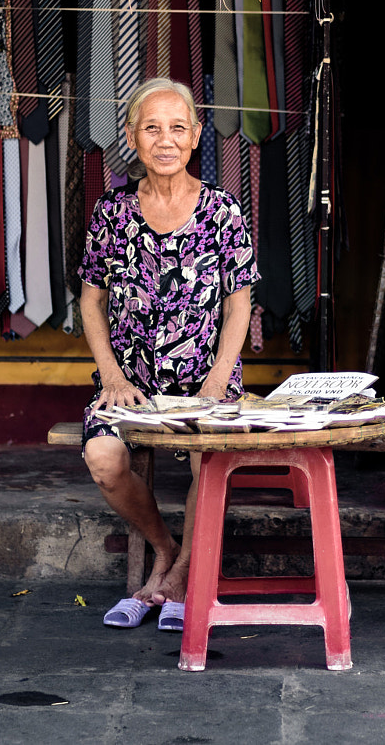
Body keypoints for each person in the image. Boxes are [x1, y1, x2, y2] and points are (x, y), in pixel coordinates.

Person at [78, 77, 258, 632]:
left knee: (212, 455)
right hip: (130, 384)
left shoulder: (224, 214)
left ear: (197, 135)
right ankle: (168, 548)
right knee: (104, 461)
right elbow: (90, 302)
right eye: (152, 128)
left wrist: (216, 381)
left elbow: (239, 306)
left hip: (208, 380)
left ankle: (175, 581)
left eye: (178, 127)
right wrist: (109, 375)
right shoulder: (112, 214)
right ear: (132, 137)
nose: (165, 139)